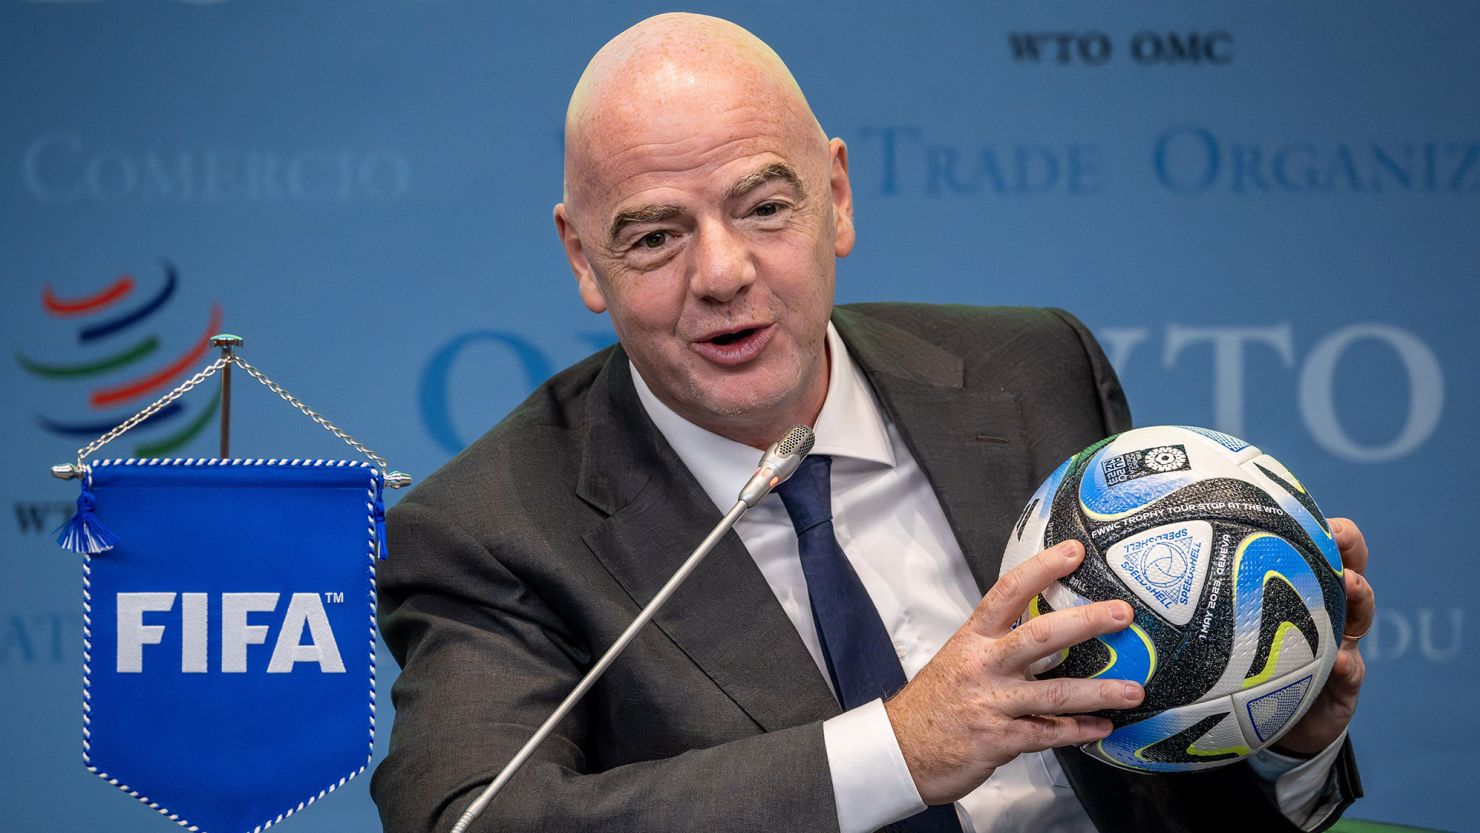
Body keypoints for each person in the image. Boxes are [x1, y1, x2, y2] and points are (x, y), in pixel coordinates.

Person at [372, 13, 1370, 833]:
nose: (721, 272)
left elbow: (1161, 787)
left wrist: (1277, 734)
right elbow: (466, 819)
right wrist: (899, 748)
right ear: (583, 257)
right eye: (656, 234)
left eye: (764, 207)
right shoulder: (491, 530)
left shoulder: (1034, 373)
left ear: (837, 197)